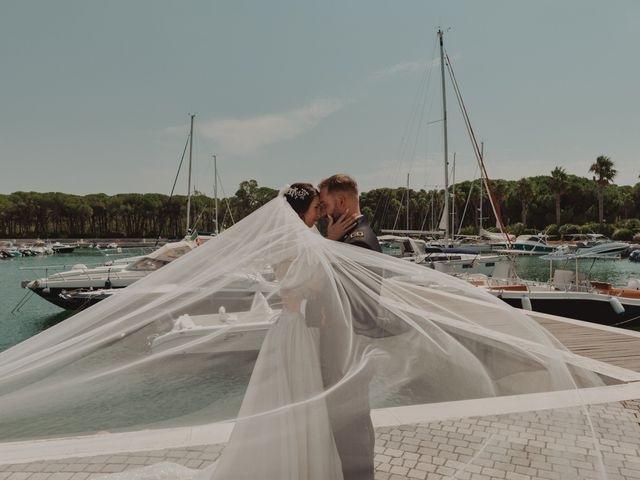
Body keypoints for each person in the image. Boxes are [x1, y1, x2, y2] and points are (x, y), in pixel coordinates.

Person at [316, 174, 380, 480]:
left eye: (326, 204)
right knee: (355, 427)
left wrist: (328, 245)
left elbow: (341, 301)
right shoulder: (350, 238)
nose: (325, 212)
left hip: (349, 350)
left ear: (341, 201)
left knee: (351, 432)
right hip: (351, 349)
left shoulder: (358, 243)